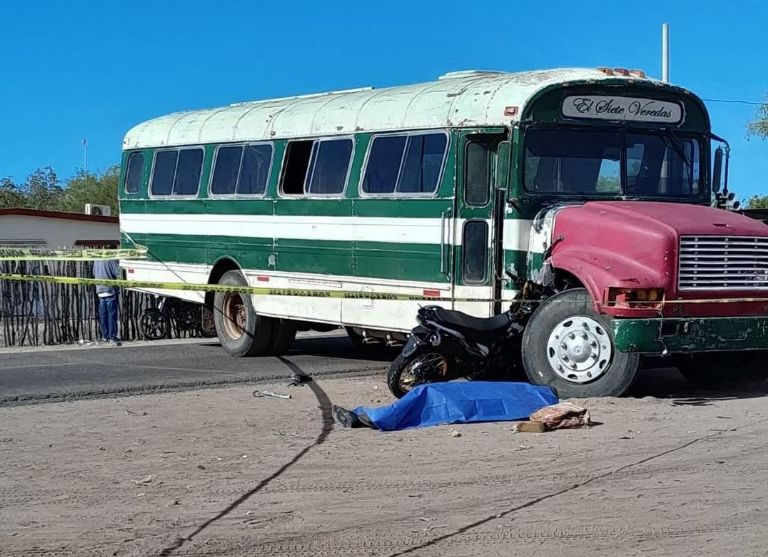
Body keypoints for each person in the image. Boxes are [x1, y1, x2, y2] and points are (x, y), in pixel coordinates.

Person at [93, 254, 121, 345]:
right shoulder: (111, 259)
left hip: (100, 290)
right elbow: (117, 273)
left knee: (103, 316)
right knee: (112, 316)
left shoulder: (97, 259)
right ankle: (112, 337)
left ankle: (105, 336)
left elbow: (93, 273)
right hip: (110, 290)